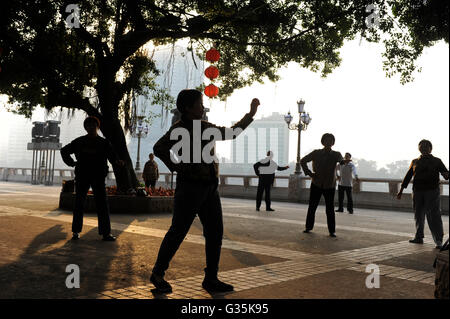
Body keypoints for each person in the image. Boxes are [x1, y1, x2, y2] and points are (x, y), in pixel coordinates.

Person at [150, 89, 259, 293]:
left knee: (215, 233)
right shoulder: (179, 128)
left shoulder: (205, 127)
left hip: (210, 188)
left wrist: (250, 114)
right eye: (199, 103)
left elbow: (231, 133)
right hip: (190, 188)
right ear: (188, 108)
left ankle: (211, 278)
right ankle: (157, 273)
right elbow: (159, 148)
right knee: (178, 232)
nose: (203, 107)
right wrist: (177, 166)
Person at [60, 116, 124, 241]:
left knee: (102, 205)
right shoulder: (79, 141)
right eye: (88, 126)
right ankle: (76, 232)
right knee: (79, 204)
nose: (91, 128)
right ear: (85, 128)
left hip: (98, 177)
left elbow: (113, 157)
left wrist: (118, 162)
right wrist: (72, 163)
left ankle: (106, 233)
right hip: (83, 176)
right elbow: (64, 151)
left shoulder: (104, 143)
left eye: (93, 125)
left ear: (97, 127)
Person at [396, 139, 449, 249]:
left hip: (432, 191)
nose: (424, 148)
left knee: (434, 215)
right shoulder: (415, 161)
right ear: (419, 148)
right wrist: (401, 190)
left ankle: (438, 240)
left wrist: (446, 174)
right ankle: (418, 237)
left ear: (431, 148)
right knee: (418, 215)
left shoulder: (437, 161)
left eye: (426, 146)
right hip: (417, 191)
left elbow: (446, 174)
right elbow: (408, 177)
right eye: (421, 146)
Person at [300, 133, 344, 237]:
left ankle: (332, 231)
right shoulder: (316, 153)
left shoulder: (336, 154)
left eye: (330, 140)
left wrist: (344, 162)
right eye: (326, 140)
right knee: (312, 207)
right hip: (317, 183)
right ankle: (308, 227)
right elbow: (303, 161)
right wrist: (309, 173)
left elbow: (341, 161)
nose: (328, 142)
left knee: (330, 209)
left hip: (330, 185)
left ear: (333, 143)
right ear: (323, 141)